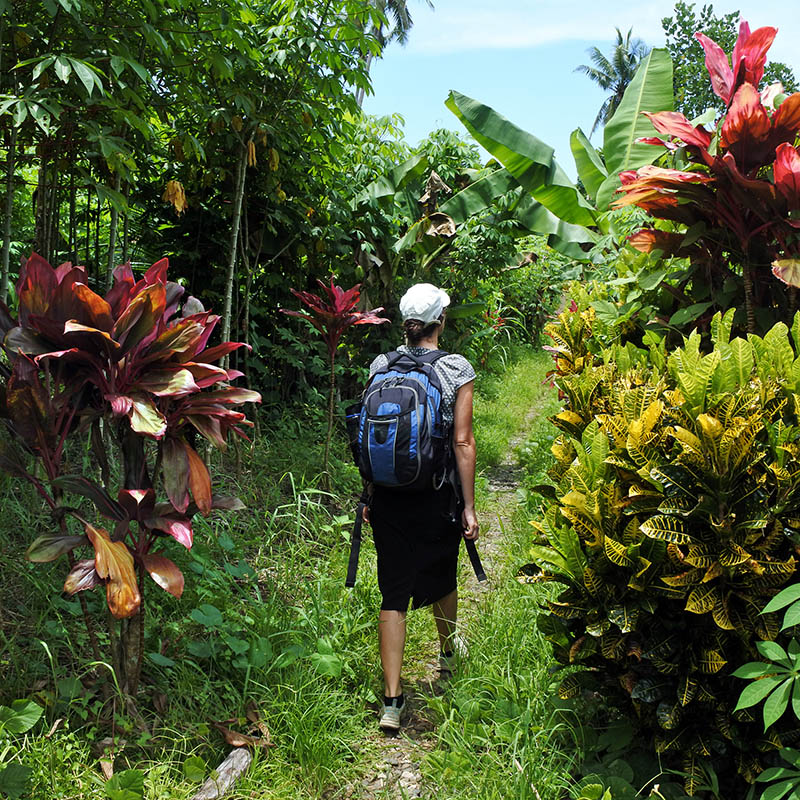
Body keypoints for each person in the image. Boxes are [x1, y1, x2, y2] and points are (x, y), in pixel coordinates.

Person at [362, 282, 479, 732]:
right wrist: (469, 506)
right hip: (437, 492)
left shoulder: (380, 365)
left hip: (388, 495)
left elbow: (373, 435)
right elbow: (463, 441)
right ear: (439, 322)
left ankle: (392, 701)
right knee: (441, 572)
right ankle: (447, 656)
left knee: (393, 591)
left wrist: (369, 492)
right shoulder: (456, 367)